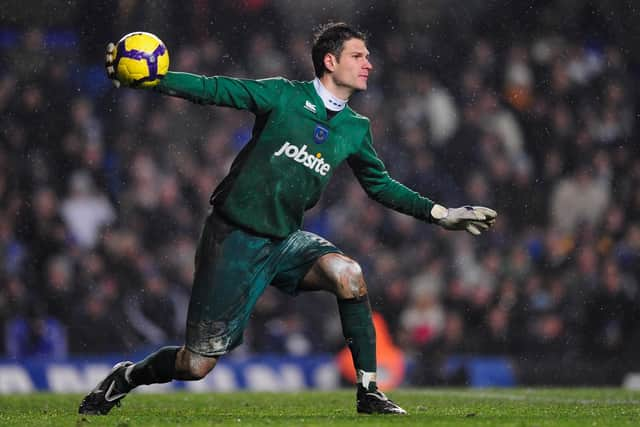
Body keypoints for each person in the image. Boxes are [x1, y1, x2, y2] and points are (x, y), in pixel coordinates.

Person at [78, 22, 497, 416]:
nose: (368, 63)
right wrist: (156, 80)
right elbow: (215, 90)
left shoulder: (355, 128)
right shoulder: (283, 96)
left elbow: (380, 185)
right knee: (196, 364)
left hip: (284, 241)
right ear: (330, 61)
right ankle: (127, 376)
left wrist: (441, 214)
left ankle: (369, 390)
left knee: (349, 275)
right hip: (234, 240)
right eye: (358, 55)